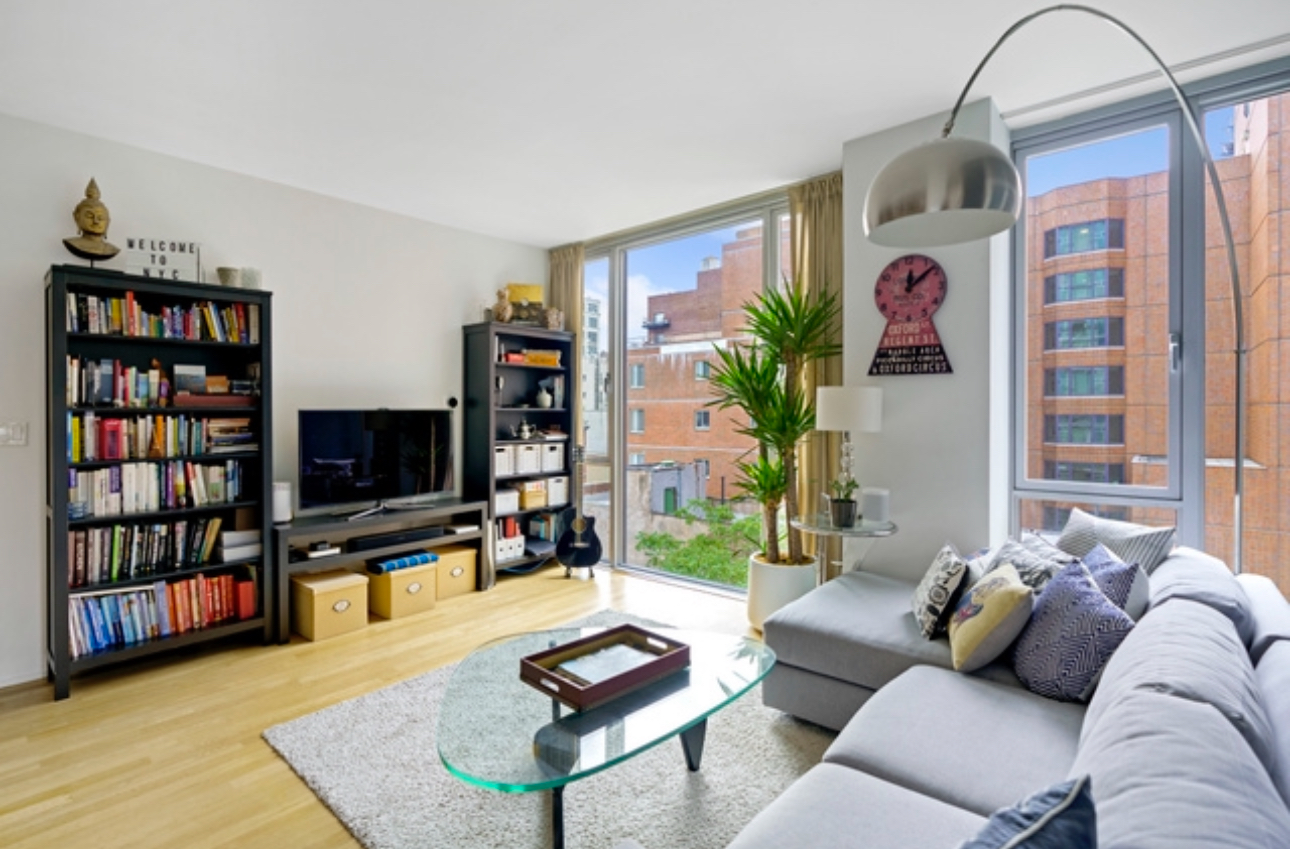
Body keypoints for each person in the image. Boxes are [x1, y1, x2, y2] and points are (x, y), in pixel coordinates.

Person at [62, 178, 120, 260]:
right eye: (90, 216)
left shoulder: (111, 249)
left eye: (101, 218)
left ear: (108, 222)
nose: (96, 221)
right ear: (77, 217)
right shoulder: (72, 243)